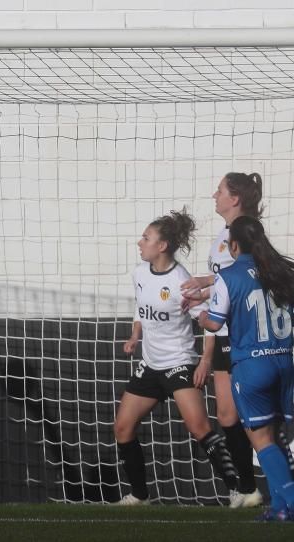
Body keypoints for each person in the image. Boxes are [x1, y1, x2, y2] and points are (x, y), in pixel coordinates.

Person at [113, 209, 239, 505]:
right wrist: (135, 335)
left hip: (179, 363)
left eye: (146, 238)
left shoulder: (181, 281)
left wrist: (206, 360)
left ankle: (239, 489)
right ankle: (139, 495)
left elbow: (207, 321)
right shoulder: (140, 273)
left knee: (199, 428)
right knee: (122, 428)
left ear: (162, 246)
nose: (139, 242)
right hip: (151, 364)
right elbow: (140, 307)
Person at [182, 172, 290, 507]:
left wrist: (205, 310)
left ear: (235, 198)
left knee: (260, 428)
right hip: (265, 344)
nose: (214, 194)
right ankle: (249, 489)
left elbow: (238, 281)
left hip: (244, 338)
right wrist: (204, 285)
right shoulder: (230, 235)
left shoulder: (244, 234)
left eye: (220, 190)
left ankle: (273, 494)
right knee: (229, 417)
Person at [198, 215, 294, 520]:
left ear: (233, 244)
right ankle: (280, 508)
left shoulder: (228, 276)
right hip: (285, 361)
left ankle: (290, 499)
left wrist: (200, 316)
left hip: (252, 364)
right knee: (275, 433)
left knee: (261, 440)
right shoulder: (284, 271)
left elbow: (214, 322)